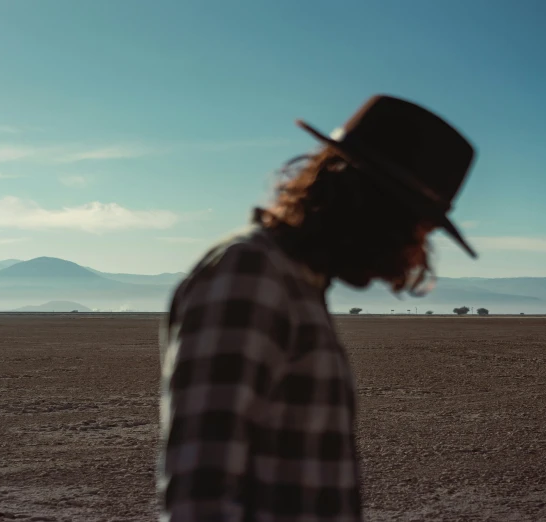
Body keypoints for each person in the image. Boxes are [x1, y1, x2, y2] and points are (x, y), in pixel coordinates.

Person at [157, 95, 478, 521]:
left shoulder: (295, 284)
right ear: (373, 205)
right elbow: (202, 495)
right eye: (419, 226)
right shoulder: (251, 274)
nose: (419, 252)